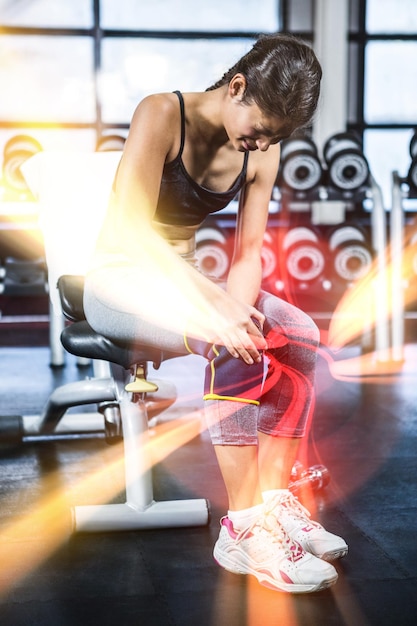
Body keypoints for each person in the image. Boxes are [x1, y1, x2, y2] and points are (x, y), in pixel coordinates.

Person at [84, 32, 348, 594]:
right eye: (259, 131)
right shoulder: (160, 113)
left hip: (184, 279)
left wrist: (233, 304)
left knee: (295, 333)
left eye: (274, 138)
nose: (260, 146)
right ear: (236, 86)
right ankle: (243, 529)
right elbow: (132, 231)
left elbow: (248, 253)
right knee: (232, 342)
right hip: (118, 278)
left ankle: (277, 504)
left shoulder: (263, 146)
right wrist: (216, 310)